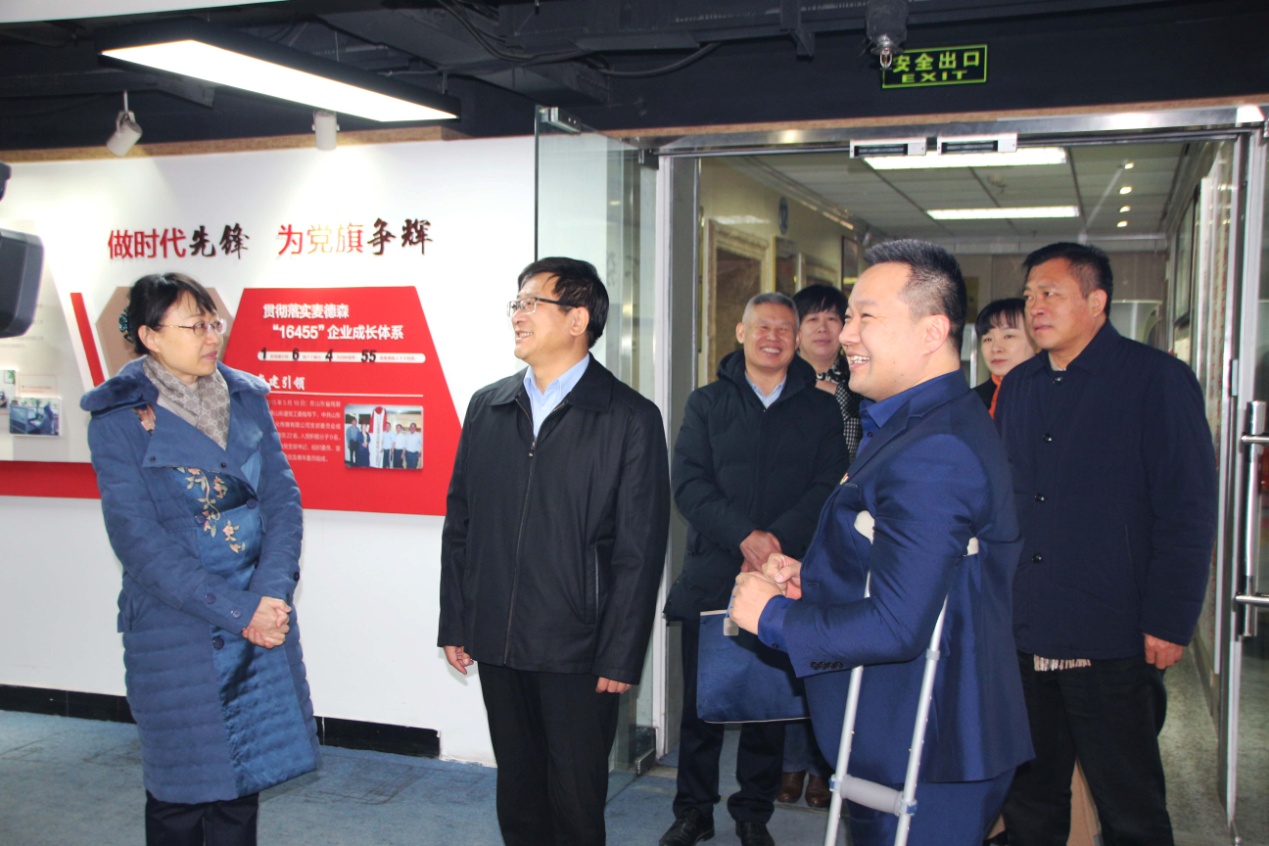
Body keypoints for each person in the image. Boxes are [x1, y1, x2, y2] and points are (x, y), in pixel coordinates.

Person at [730, 240, 1034, 846]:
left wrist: (774, 618)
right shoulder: (913, 424)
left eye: (866, 317)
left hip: (928, 748)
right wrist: (812, 579)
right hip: (903, 736)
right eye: (849, 317)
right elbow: (912, 567)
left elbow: (899, 623)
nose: (845, 334)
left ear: (932, 331)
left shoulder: (935, 448)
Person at [80, 272, 319, 846]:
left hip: (257, 615)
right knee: (180, 796)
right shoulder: (119, 417)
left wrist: (271, 594)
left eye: (214, 322)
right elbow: (138, 540)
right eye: (194, 326)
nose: (212, 336)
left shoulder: (246, 398)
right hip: (178, 627)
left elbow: (282, 501)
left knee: (243, 787)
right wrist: (239, 610)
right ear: (150, 336)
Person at [438, 256, 670, 846]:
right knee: (518, 793)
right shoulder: (488, 406)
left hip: (577, 647)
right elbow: (461, 523)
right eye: (515, 304)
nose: (517, 316)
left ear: (577, 319)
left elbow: (640, 550)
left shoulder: (629, 418)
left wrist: (621, 654)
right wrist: (456, 620)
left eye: (530, 303)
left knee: (574, 800)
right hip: (497, 637)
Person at [995, 242, 1218, 846]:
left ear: (1097, 302)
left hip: (1113, 634)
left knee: (1130, 807)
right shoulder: (1020, 385)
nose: (1035, 307)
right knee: (1030, 801)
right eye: (1030, 295)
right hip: (1026, 631)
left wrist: (1169, 620)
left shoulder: (1156, 380)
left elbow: (1188, 510)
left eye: (1051, 293)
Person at [660, 292, 848, 846]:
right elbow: (688, 483)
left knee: (768, 705)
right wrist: (744, 535)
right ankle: (694, 811)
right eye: (762, 327)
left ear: (796, 340)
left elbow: (829, 486)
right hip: (714, 571)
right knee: (702, 707)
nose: (773, 337)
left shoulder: (821, 410)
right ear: (741, 333)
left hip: (782, 578)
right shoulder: (707, 403)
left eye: (784, 329)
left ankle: (753, 813)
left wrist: (773, 544)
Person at [778, 282, 865, 808]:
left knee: (830, 645)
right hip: (792, 528)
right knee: (791, 645)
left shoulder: (863, 379)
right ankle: (790, 763)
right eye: (812, 319)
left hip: (846, 526)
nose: (824, 329)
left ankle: (821, 765)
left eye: (835, 319)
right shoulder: (778, 382)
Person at [973, 297, 1036, 417]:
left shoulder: (1054, 395)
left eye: (1008, 336)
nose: (995, 348)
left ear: (1037, 341)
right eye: (988, 339)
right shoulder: (972, 401)